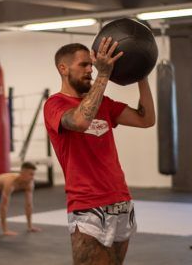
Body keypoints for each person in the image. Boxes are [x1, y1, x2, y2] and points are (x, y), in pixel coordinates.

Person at [43, 38, 155, 264]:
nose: (90, 70)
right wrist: (104, 75)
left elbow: (146, 119)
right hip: (87, 204)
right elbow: (80, 121)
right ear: (63, 68)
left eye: (91, 66)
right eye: (83, 65)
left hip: (120, 200)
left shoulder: (103, 103)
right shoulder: (54, 105)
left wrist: (140, 73)